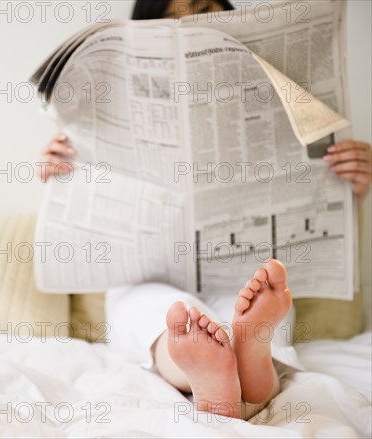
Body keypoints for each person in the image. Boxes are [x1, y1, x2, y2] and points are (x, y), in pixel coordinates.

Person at [36, 0, 372, 420]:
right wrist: (62, 176)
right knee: (148, 310)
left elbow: (315, 211)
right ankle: (228, 370)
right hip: (143, 276)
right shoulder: (104, 110)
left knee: (262, 300)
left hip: (241, 268)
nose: (190, 25)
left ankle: (239, 359)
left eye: (203, 9)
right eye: (170, 22)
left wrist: (351, 184)